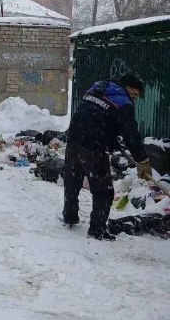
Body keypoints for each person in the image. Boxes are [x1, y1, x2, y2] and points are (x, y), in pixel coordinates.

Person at [63, 72, 153, 240]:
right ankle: (97, 230)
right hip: (93, 146)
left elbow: (96, 115)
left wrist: (111, 139)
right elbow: (131, 135)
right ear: (127, 87)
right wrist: (143, 160)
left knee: (72, 181)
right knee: (104, 191)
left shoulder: (98, 87)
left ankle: (69, 216)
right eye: (135, 94)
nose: (134, 98)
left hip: (74, 138)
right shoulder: (124, 102)